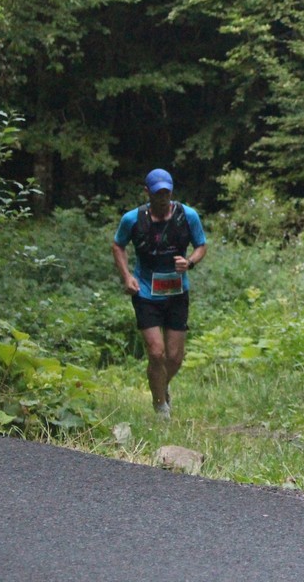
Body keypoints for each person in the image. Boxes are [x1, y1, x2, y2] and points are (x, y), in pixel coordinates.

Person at [112, 168, 207, 419]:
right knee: (156, 352)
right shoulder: (132, 219)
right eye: (157, 194)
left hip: (177, 292)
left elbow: (201, 245)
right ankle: (160, 408)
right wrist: (127, 276)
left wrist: (190, 262)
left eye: (166, 193)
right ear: (147, 192)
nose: (162, 198)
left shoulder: (188, 216)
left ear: (172, 192)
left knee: (174, 358)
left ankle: (161, 386)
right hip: (145, 292)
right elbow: (118, 245)